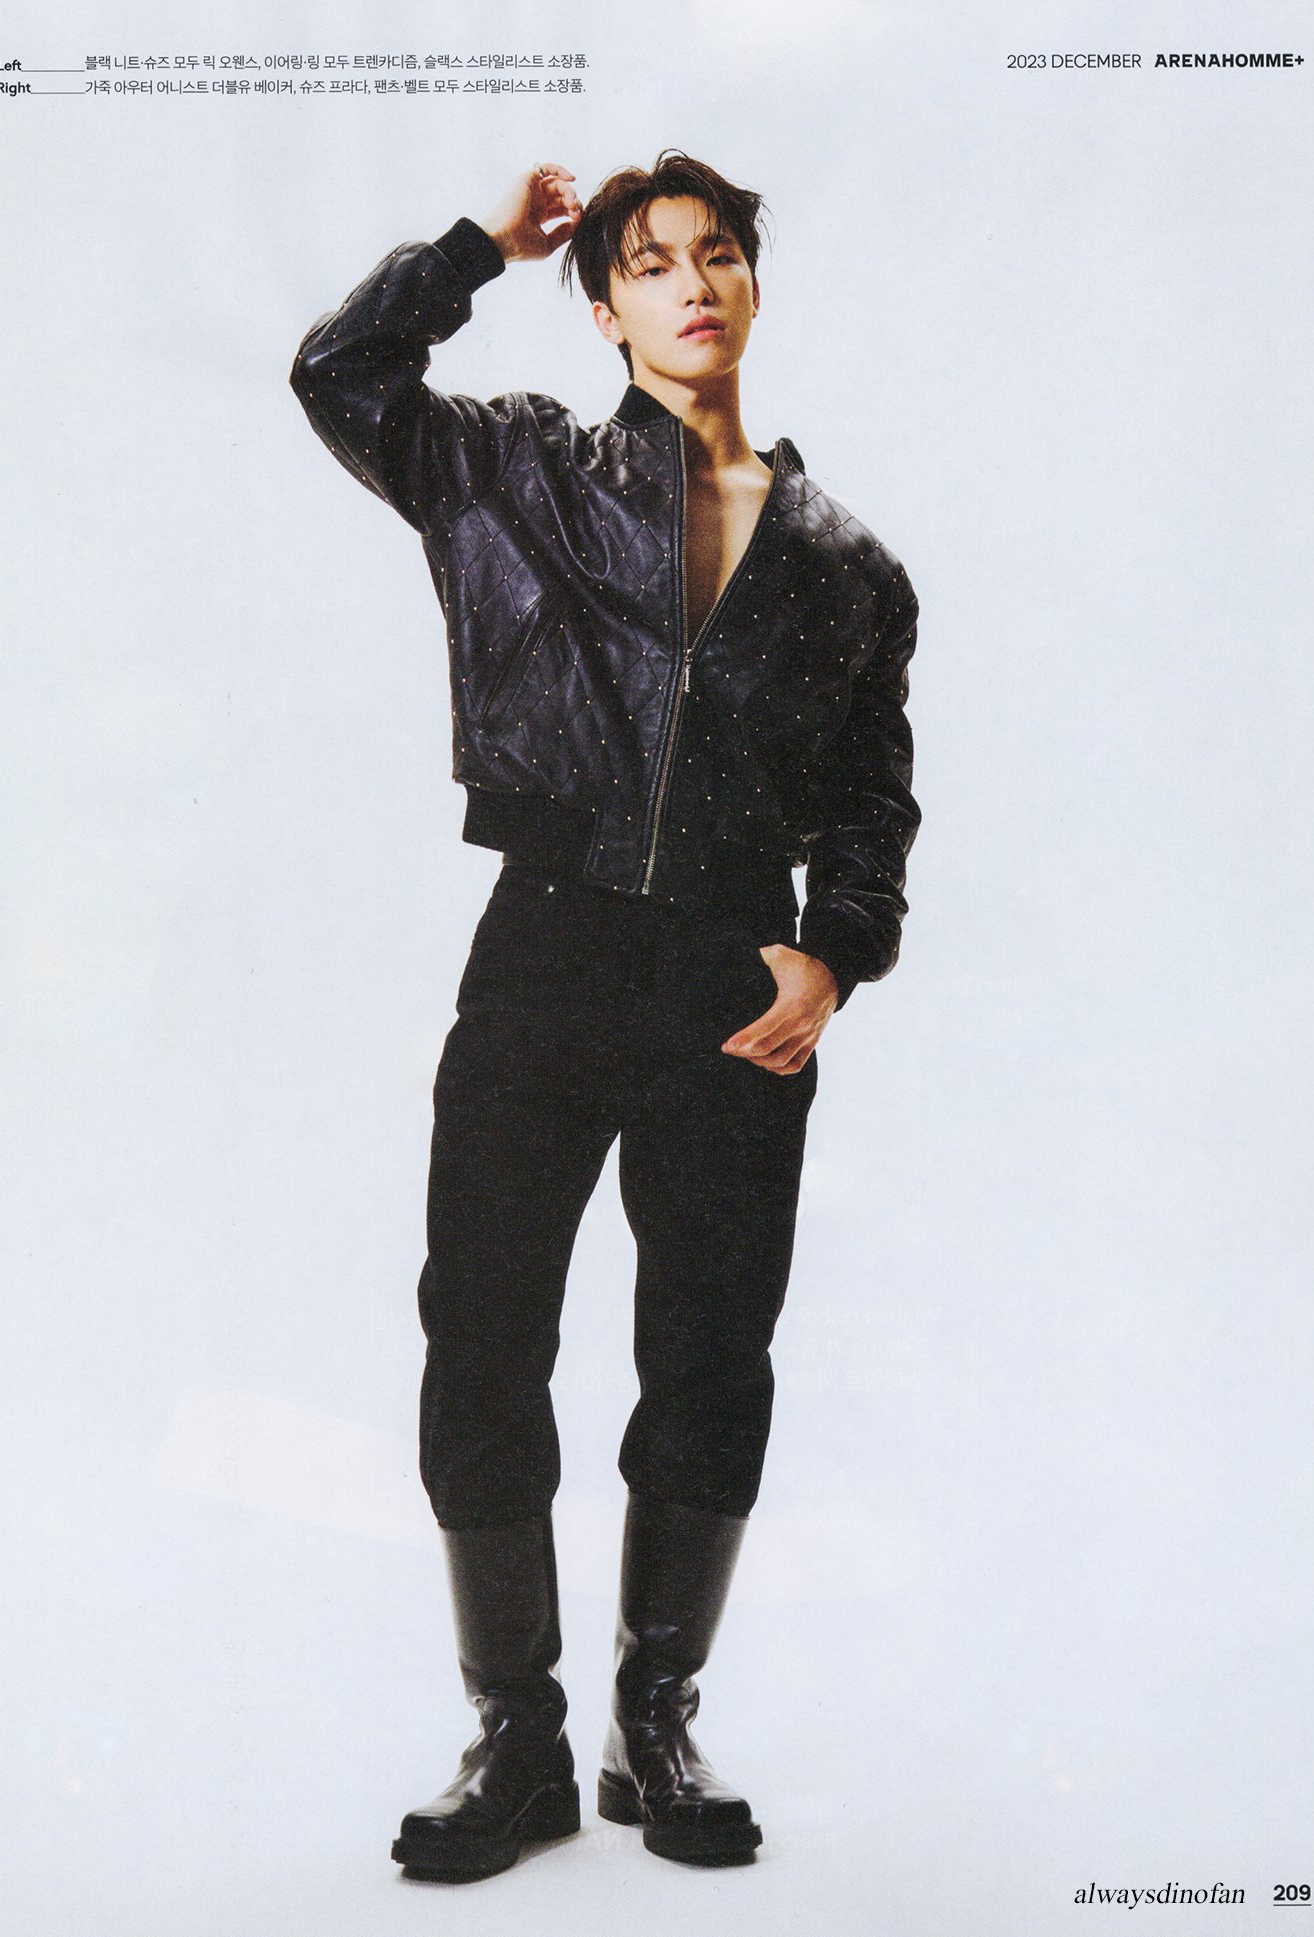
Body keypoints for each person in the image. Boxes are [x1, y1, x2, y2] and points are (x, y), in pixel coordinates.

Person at [289, 150, 921, 1880]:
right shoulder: (517, 472)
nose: (691, 285)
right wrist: (478, 246)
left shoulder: (849, 567)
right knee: (484, 1327)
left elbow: (872, 795)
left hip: (732, 975)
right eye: (651, 262)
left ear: (753, 285)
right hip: (548, 948)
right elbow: (338, 375)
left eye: (718, 257)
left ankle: (659, 1716)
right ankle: (519, 1734)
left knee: (712, 1346)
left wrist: (835, 949)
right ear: (605, 307)